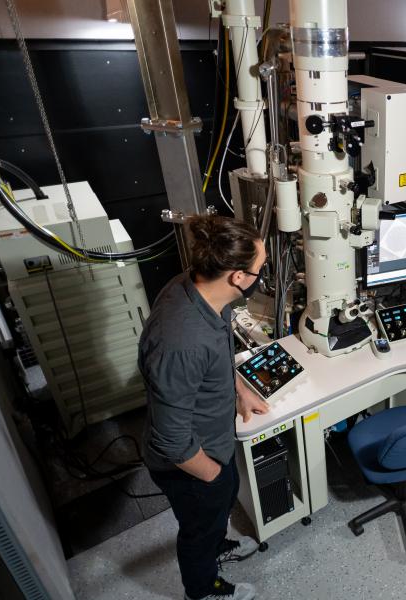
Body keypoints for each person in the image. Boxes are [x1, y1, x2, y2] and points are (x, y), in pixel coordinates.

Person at [139, 215, 271, 600]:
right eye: (259, 269)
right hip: (190, 462)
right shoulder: (181, 340)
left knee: (217, 513)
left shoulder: (203, 290)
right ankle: (202, 589)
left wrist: (239, 389)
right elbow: (172, 441)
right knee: (199, 530)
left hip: (212, 441)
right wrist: (213, 477)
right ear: (237, 276)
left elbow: (218, 352)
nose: (261, 275)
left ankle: (217, 545)